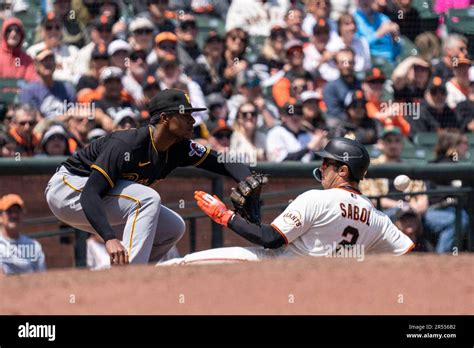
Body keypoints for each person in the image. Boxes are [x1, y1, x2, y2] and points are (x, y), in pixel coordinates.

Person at [45, 89, 254, 265]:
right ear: (164, 118)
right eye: (185, 115)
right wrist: (109, 238)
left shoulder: (179, 147)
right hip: (68, 189)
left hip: (97, 197)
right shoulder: (128, 144)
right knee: (147, 198)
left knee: (172, 228)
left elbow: (223, 161)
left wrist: (247, 180)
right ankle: (130, 278)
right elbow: (91, 193)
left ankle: (130, 275)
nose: (192, 120)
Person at [160, 137, 415, 266]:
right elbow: (407, 253)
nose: (322, 166)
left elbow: (271, 240)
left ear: (344, 171)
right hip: (327, 289)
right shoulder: (377, 218)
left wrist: (226, 217)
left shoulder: (317, 198)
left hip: (275, 270)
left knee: (181, 265)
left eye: (327, 163)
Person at [359, 126, 428, 219]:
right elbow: (370, 199)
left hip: (412, 213)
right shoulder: (371, 166)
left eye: (397, 141)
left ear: (402, 144)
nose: (393, 145)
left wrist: (410, 208)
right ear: (381, 144)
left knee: (450, 219)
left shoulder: (410, 167)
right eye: (389, 141)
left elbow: (422, 201)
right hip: (382, 213)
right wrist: (401, 206)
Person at [424, 131, 470, 253]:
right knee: (459, 220)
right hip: (433, 211)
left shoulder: (452, 164)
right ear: (452, 146)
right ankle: (441, 259)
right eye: (463, 143)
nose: (467, 146)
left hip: (449, 210)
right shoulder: (444, 164)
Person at [19, 48, 75, 119]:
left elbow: (73, 113)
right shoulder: (28, 90)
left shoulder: (67, 88)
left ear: (55, 65)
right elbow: (34, 118)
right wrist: (61, 118)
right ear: (36, 66)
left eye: (50, 60)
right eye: (43, 61)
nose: (47, 63)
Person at [26, 12, 79, 84]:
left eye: (57, 27)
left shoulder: (73, 51)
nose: (53, 31)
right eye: (49, 27)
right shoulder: (32, 52)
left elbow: (78, 77)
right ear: (42, 31)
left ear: (61, 31)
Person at [0, 194, 46, 275]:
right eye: (9, 211)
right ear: (0, 217)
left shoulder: (34, 246)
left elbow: (42, 277)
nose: (14, 215)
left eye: (17, 211)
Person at [353, 0, 401, 64]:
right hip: (370, 61)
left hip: (390, 62)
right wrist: (379, 33)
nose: (365, 1)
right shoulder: (353, 21)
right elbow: (357, 46)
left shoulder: (383, 18)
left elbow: (396, 51)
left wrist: (395, 39)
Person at [323, 48, 361, 119]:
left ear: (354, 63)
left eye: (350, 62)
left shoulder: (362, 85)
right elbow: (334, 113)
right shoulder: (330, 88)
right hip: (341, 126)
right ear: (336, 64)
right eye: (343, 62)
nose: (347, 66)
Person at [0, 17, 38, 81]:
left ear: (21, 35)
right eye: (9, 30)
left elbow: (32, 80)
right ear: (4, 34)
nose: (13, 34)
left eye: (17, 30)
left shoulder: (27, 60)